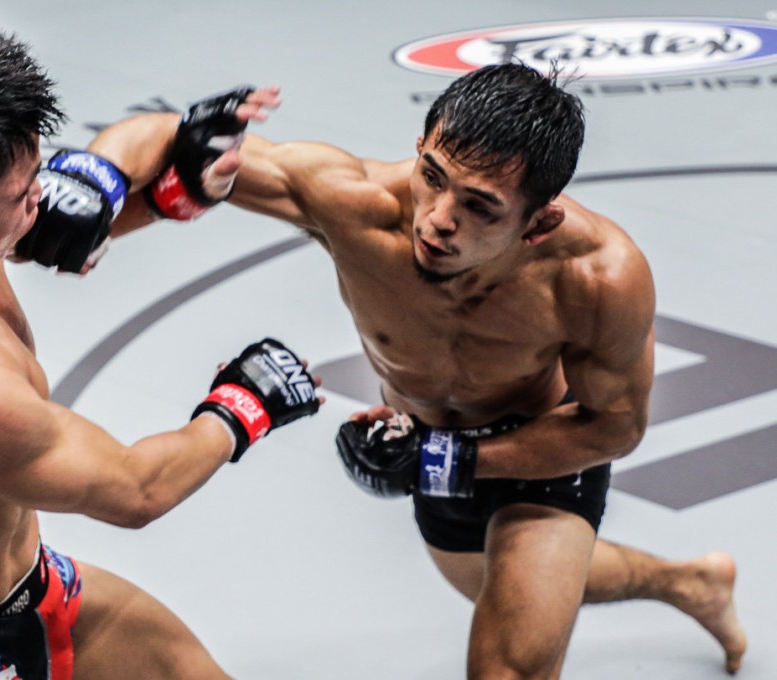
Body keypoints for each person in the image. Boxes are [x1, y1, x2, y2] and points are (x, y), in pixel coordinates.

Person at [102, 65, 747, 678]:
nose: (438, 218)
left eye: (480, 207)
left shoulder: (598, 277)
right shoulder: (354, 203)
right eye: (432, 176)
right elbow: (162, 136)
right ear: (419, 149)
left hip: (545, 450)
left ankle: (662, 577)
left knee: (507, 665)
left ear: (539, 223)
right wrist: (94, 177)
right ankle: (686, 582)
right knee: (491, 582)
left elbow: (615, 428)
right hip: (428, 445)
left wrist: (446, 459)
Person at [0, 5, 319, 679]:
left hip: (39, 586)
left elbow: (45, 219)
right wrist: (241, 406)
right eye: (23, 192)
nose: (41, 196)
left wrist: (173, 188)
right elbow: (137, 490)